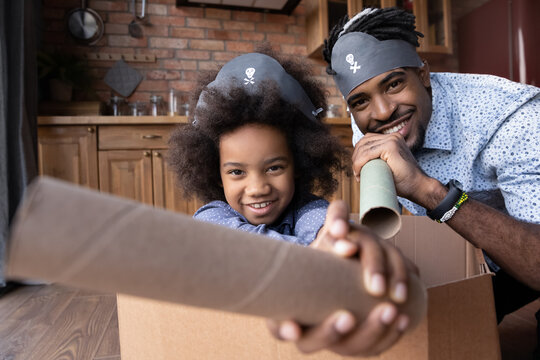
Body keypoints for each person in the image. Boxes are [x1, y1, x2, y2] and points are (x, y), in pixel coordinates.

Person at [168, 48, 419, 357]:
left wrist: (343, 248)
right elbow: (233, 243)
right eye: (237, 172)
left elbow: (326, 233)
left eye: (274, 168)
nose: (257, 188)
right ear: (216, 175)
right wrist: (309, 259)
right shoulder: (211, 216)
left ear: (299, 164)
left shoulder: (310, 211)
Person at [320, 6, 540, 325]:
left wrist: (431, 193)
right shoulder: (371, 122)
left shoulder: (511, 118)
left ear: (423, 74)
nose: (382, 112)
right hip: (481, 260)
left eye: (394, 84)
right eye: (361, 101)